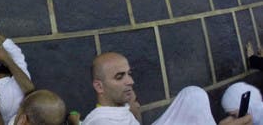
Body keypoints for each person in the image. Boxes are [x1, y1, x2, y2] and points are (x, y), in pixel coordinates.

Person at [83, 52, 252, 125]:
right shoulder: (102, 122)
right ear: (99, 86)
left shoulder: (118, 107)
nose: (131, 81)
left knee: (193, 95)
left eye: (129, 74)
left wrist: (134, 112)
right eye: (120, 77)